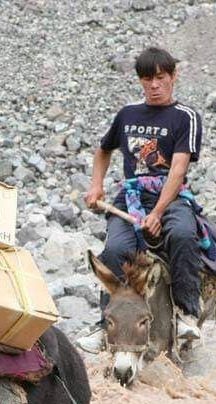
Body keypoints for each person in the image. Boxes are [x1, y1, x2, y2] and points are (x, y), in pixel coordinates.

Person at [77, 46, 204, 354]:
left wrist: (158, 212)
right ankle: (104, 322)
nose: (154, 85)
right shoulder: (127, 114)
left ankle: (187, 313)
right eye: (147, 79)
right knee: (116, 250)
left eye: (160, 78)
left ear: (173, 77)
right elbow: (103, 150)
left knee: (184, 235)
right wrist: (97, 186)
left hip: (169, 195)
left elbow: (177, 170)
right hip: (130, 195)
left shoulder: (185, 117)